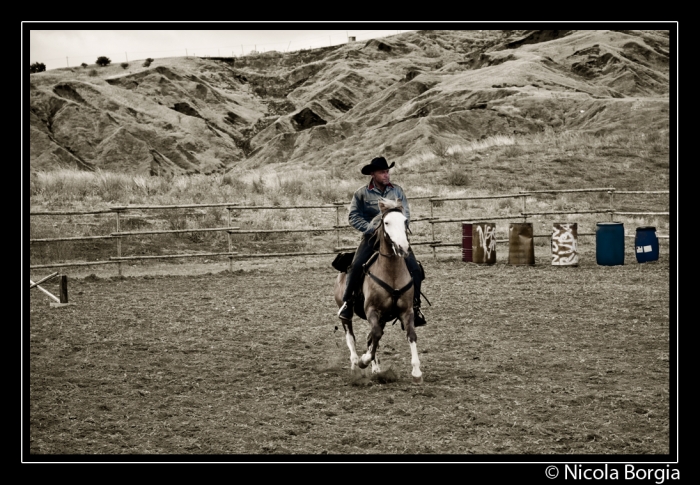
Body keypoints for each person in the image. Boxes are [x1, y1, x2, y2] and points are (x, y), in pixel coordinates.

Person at [337, 156, 426, 326]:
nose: (386, 175)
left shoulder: (397, 191)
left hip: (395, 236)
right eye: (382, 172)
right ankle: (348, 303)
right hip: (371, 237)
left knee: (415, 268)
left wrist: (398, 226)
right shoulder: (361, 193)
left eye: (387, 171)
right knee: (355, 266)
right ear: (373, 174)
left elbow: (406, 213)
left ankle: (415, 306)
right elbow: (353, 217)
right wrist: (371, 228)